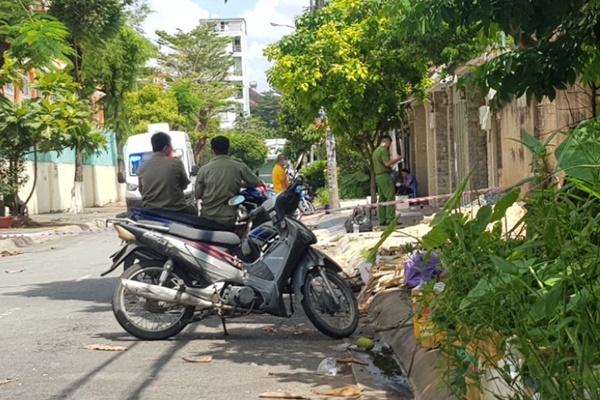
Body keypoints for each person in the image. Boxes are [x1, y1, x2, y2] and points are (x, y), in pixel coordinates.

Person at [196, 136, 260, 227]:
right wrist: (239, 184)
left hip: (207, 217)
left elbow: (198, 194)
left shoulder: (204, 169)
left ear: (212, 150)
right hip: (228, 218)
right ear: (228, 149)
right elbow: (256, 182)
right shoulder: (239, 166)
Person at [138, 132, 194, 213]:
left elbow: (141, 190)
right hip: (176, 211)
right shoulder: (176, 163)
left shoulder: (142, 166)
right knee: (193, 210)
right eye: (171, 146)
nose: (172, 148)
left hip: (150, 211)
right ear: (166, 148)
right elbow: (184, 185)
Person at [372, 135, 402, 227]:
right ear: (387, 141)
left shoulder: (375, 151)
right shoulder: (383, 150)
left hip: (378, 176)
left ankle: (382, 219)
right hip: (384, 176)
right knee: (390, 196)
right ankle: (390, 219)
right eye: (389, 143)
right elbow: (387, 163)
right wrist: (398, 158)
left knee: (382, 198)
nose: (389, 145)